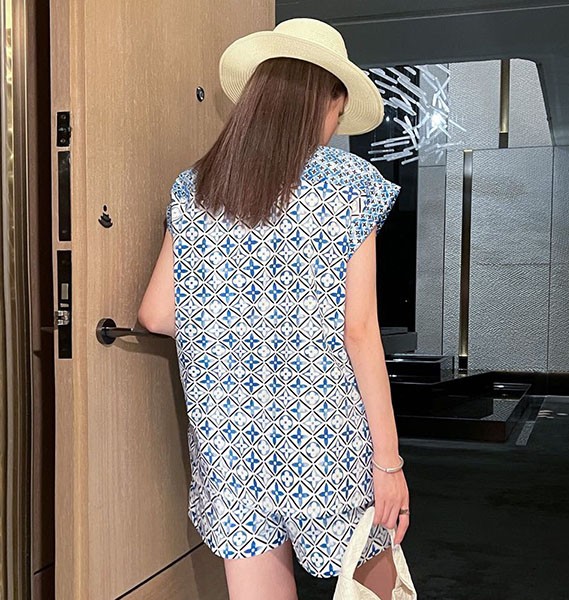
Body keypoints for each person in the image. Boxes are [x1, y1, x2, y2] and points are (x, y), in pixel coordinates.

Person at [137, 17, 410, 600]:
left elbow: (157, 314)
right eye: (338, 111)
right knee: (375, 589)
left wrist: (234, 319)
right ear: (329, 101)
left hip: (231, 443)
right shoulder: (348, 183)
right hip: (324, 436)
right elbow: (360, 330)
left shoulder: (198, 185)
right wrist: (389, 464)